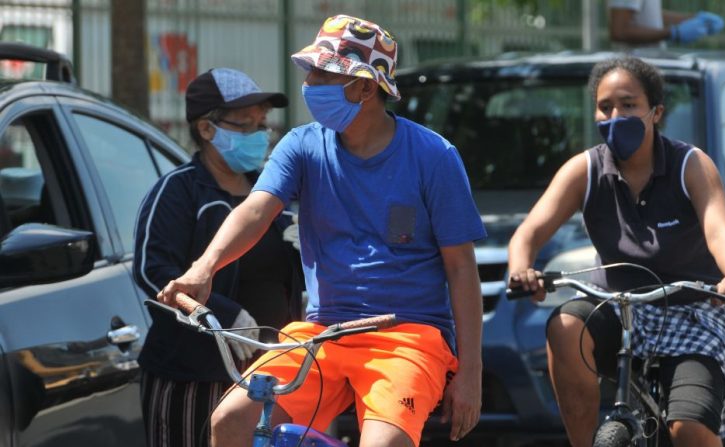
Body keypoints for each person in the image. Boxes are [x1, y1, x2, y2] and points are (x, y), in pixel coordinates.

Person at [158, 14, 485, 447]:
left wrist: (471, 374)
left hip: (409, 336)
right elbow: (256, 210)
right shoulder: (302, 144)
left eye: (322, 73)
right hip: (323, 333)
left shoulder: (434, 155)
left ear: (366, 87)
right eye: (310, 71)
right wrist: (204, 269)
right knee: (231, 421)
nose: (308, 84)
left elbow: (462, 269)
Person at [508, 56, 725, 447]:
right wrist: (522, 271)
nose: (615, 115)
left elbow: (719, 228)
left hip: (695, 317)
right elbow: (528, 233)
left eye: (628, 105)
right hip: (621, 311)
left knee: (688, 430)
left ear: (655, 112)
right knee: (564, 326)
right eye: (605, 107)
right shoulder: (584, 170)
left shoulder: (690, 164)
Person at [133, 67, 303, 447]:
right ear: (207, 130)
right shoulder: (178, 191)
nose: (260, 135)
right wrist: (225, 319)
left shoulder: (272, 194)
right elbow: (153, 272)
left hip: (269, 370)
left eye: (263, 124)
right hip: (192, 375)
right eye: (245, 126)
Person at [608, 0, 725, 47]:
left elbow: (651, 15)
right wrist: (672, 33)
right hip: (633, 75)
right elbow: (619, 31)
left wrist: (694, 19)